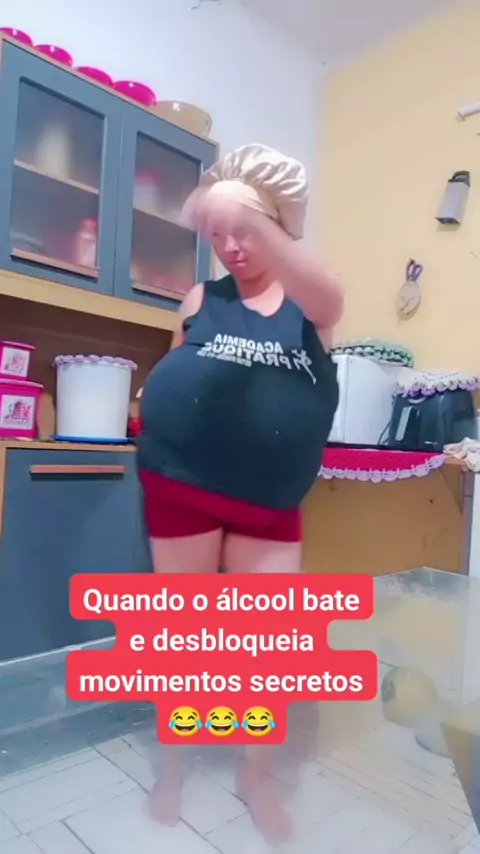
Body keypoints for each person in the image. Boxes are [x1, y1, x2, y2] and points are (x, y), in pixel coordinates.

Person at [136, 143, 344, 845]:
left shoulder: (310, 305)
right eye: (219, 234)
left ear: (277, 226)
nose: (230, 247)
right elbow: (177, 368)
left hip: (267, 502)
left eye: (245, 232)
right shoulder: (202, 298)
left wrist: (252, 217)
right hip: (182, 489)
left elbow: (333, 298)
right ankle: (173, 764)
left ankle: (256, 773)